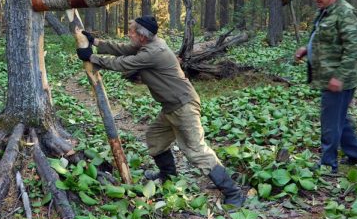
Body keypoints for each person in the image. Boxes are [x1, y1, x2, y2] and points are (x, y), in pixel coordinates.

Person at [75, 15, 244, 207]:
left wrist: (92, 57)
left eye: (131, 32)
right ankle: (168, 177)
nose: (128, 34)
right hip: (171, 107)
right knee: (156, 138)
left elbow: (123, 63)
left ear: (142, 36)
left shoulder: (154, 51)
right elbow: (125, 49)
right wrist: (96, 42)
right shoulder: (148, 43)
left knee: (197, 151)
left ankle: (233, 193)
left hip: (183, 106)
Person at [295, 0, 357, 174]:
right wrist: (306, 48)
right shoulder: (326, 12)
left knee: (330, 122)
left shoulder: (345, 13)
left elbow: (354, 49)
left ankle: (328, 164)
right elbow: (323, 38)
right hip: (328, 77)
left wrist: (339, 76)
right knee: (340, 119)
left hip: (338, 80)